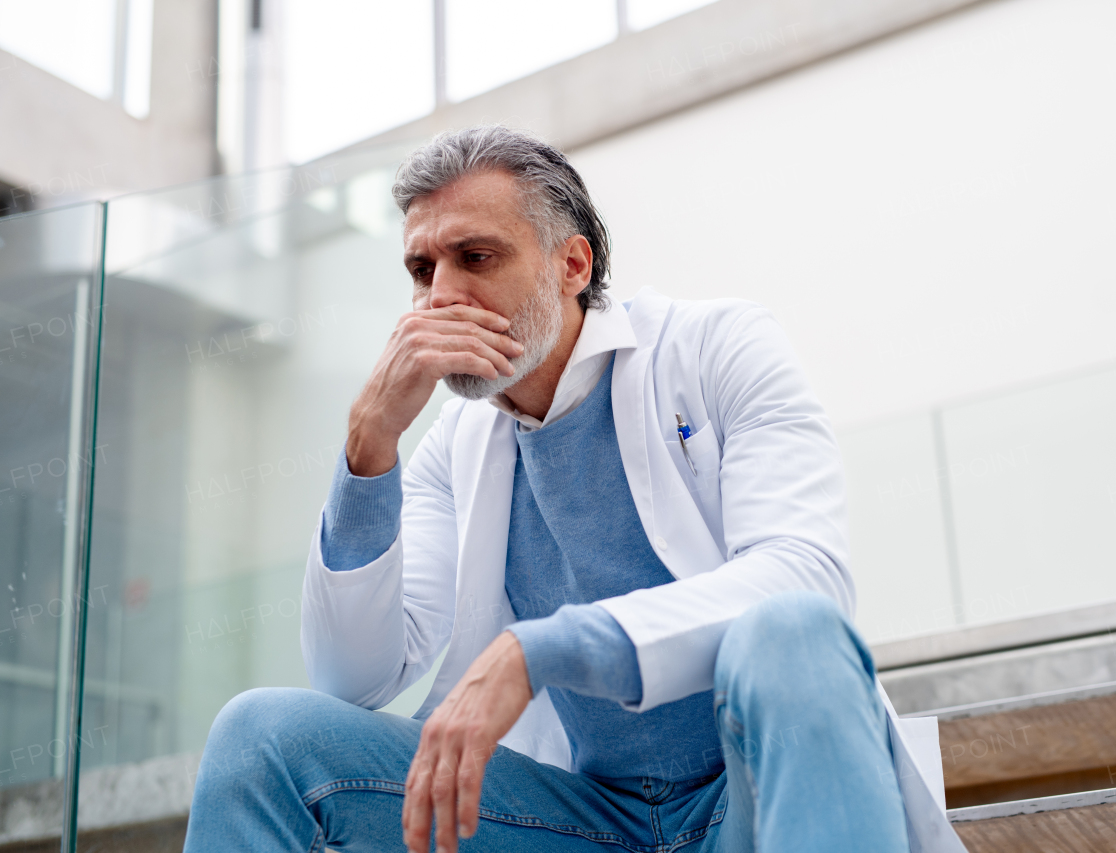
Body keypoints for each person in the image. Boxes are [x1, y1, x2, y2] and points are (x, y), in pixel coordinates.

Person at [183, 126, 964, 853]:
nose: (440, 296)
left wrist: (543, 647)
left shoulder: (717, 347)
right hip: (584, 823)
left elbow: (807, 578)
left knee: (790, 630)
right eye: (423, 269)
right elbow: (352, 678)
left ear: (573, 266)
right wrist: (368, 445)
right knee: (262, 737)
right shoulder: (451, 448)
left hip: (753, 803)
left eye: (476, 257)